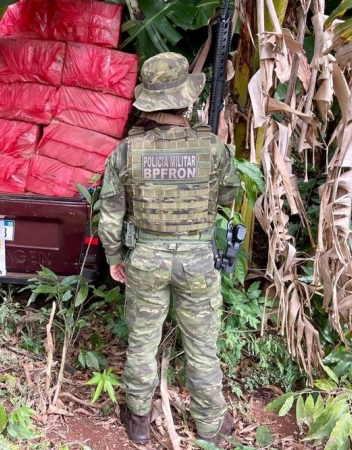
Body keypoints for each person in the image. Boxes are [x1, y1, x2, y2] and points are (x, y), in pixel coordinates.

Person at [97, 52, 241, 445]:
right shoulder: (211, 148)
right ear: (184, 98)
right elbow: (230, 194)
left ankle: (139, 420)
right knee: (202, 345)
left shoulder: (127, 151)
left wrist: (113, 258)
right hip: (197, 259)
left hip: (146, 258)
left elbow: (110, 213)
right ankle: (211, 424)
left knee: (142, 341)